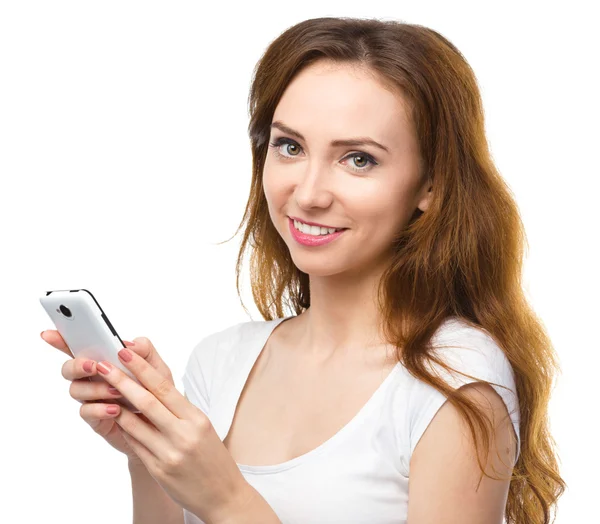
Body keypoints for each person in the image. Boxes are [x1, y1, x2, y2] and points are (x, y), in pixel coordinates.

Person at [42, 17, 565, 524]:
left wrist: (226, 501)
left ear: (431, 185)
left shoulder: (455, 380)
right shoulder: (221, 361)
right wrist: (147, 454)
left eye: (358, 159)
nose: (308, 194)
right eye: (289, 147)